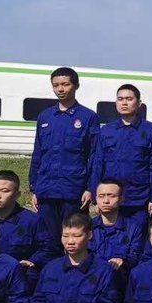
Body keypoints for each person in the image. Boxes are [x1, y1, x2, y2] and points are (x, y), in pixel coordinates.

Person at [29, 66, 101, 244]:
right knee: (48, 240)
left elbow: (94, 156)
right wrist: (35, 188)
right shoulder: (45, 117)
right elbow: (38, 153)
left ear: (76, 86)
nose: (60, 89)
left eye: (65, 84)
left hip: (73, 191)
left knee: (74, 239)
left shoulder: (88, 117)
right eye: (56, 85)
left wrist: (90, 189)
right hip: (46, 190)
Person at [96, 83, 152, 224]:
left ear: (139, 103)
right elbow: (97, 164)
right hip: (111, 198)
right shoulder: (106, 131)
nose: (124, 103)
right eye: (120, 99)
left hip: (139, 199)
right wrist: (95, 196)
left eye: (129, 99)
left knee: (137, 235)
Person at [0, 169, 55, 290]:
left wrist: (33, 261)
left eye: (4, 191)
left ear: (17, 194)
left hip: (20, 279)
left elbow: (49, 248)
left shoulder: (32, 221)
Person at [90, 179, 145, 294]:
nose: (106, 201)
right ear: (96, 199)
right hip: (91, 285)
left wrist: (124, 261)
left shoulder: (134, 228)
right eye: (101, 196)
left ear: (121, 199)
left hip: (121, 285)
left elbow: (137, 257)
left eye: (111, 196)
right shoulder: (87, 227)